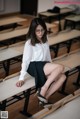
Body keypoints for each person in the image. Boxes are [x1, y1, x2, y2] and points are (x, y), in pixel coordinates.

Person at [16, 17, 66, 108]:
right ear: (33, 30)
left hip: (43, 64)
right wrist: (21, 78)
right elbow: (25, 60)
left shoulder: (45, 38)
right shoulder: (29, 42)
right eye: (37, 31)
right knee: (61, 67)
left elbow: (47, 55)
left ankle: (44, 99)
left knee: (63, 77)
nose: (40, 33)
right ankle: (43, 89)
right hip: (33, 66)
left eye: (42, 30)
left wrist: (52, 66)